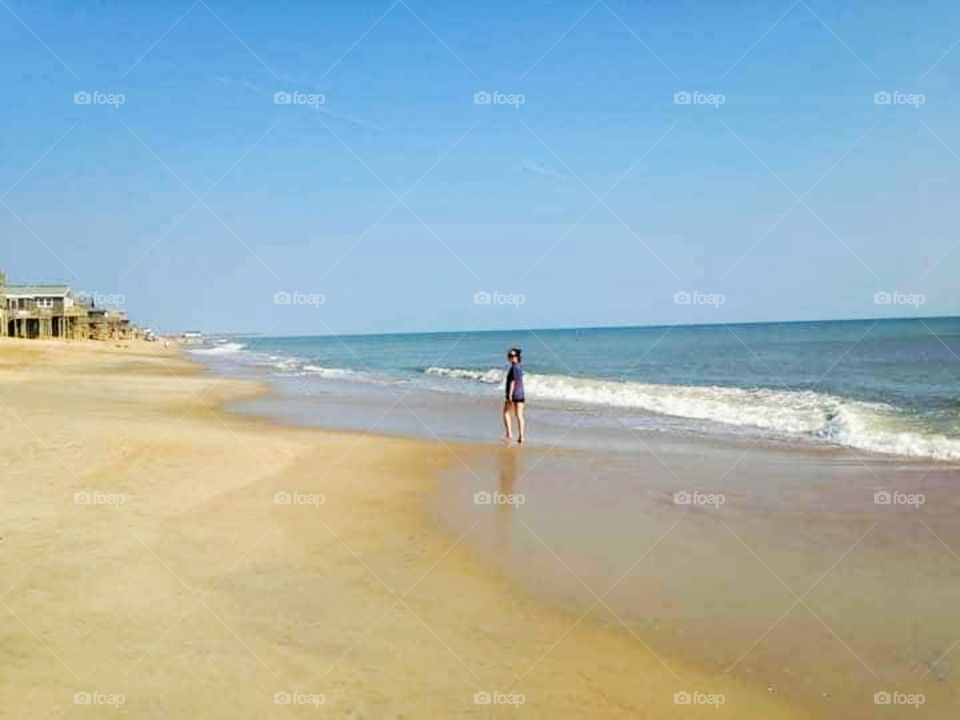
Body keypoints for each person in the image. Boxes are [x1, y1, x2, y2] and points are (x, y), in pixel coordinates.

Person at [502, 347, 526, 444]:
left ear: (517, 357)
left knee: (506, 413)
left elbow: (513, 382)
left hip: (514, 394)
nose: (510, 357)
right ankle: (521, 436)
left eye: (512, 356)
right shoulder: (519, 367)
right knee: (519, 415)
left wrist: (510, 395)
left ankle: (509, 434)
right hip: (521, 394)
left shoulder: (514, 367)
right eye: (509, 355)